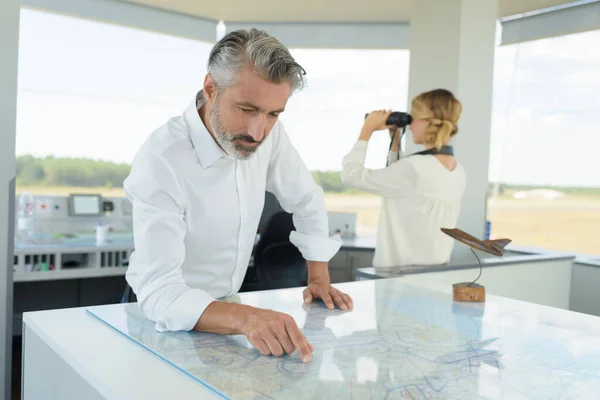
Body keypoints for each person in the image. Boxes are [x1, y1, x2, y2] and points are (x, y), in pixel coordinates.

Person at [123, 28, 353, 364]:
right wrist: (244, 318)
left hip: (229, 308)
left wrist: (318, 277)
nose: (258, 132)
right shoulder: (161, 158)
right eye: (247, 109)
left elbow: (306, 198)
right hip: (163, 313)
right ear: (211, 88)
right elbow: (158, 290)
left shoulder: (268, 136)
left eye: (274, 114)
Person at [341, 89, 466, 267]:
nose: (410, 125)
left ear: (429, 117)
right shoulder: (458, 170)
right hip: (435, 275)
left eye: (413, 117)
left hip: (398, 280)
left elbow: (350, 175)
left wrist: (366, 131)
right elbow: (403, 189)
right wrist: (395, 144)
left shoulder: (415, 168)